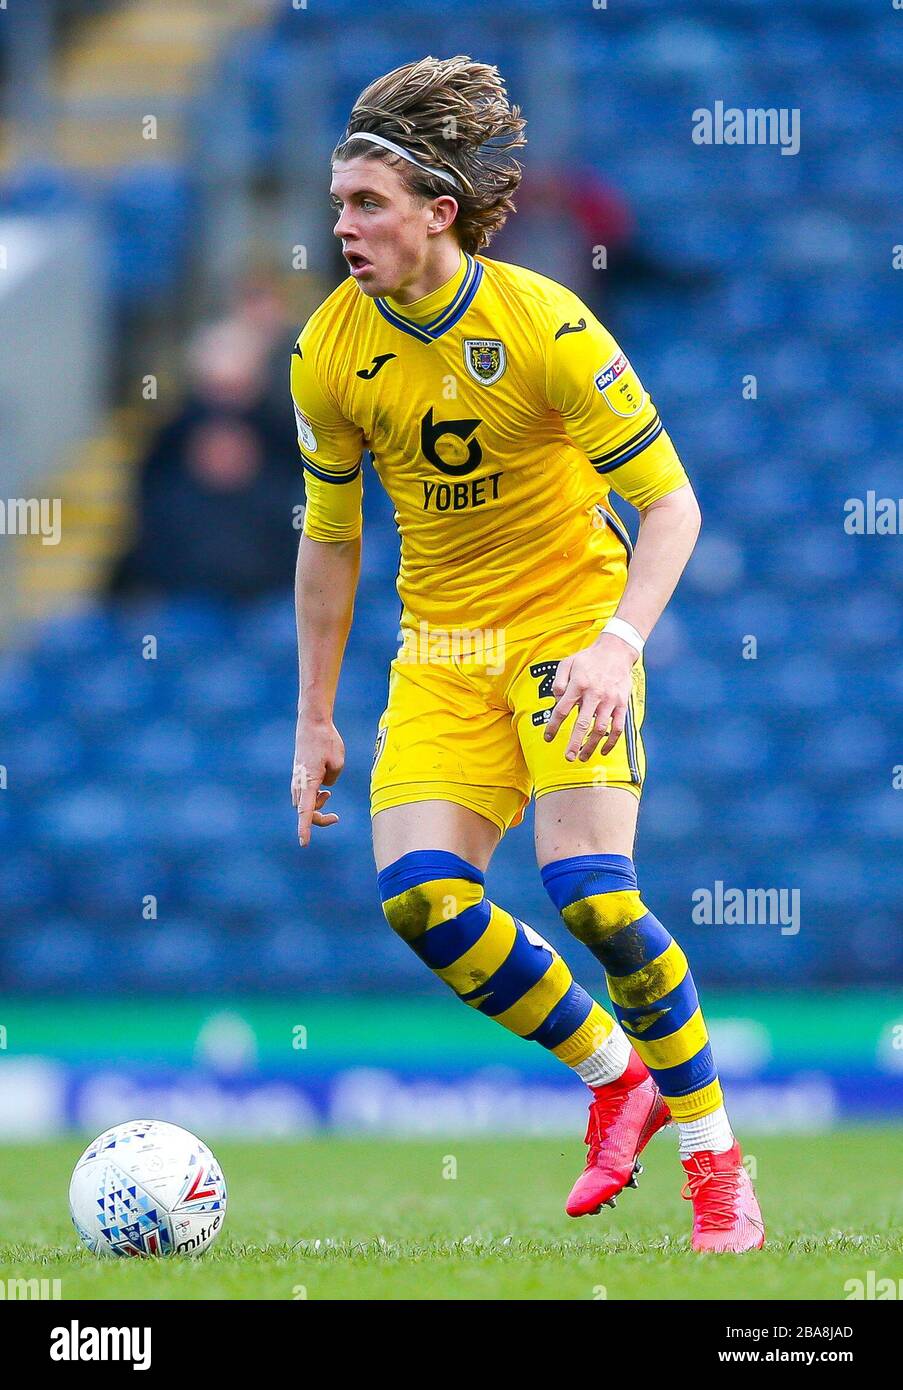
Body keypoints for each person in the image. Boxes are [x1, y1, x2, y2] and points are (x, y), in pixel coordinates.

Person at [289, 55, 764, 1253]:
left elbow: (673, 506)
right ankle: (617, 1074)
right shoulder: (327, 355)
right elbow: (332, 544)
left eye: (367, 206)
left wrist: (618, 642)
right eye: (339, 203)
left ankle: (718, 1166)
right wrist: (315, 714)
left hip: (567, 630)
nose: (341, 226)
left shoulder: (545, 321)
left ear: (439, 214)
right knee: (423, 901)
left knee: (594, 899)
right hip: (441, 649)